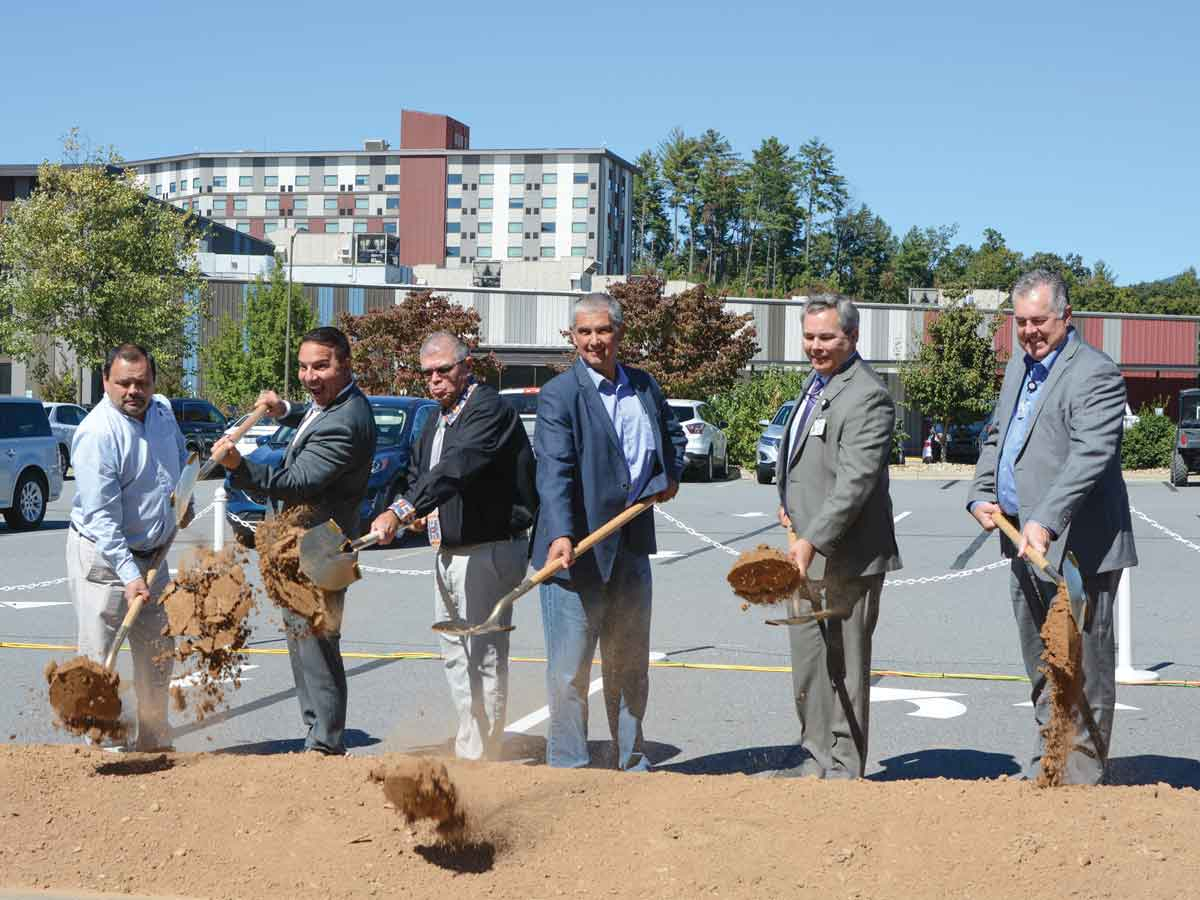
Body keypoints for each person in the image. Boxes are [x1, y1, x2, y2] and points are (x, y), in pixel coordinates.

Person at [968, 269, 1137, 784]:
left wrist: (1044, 519)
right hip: (1022, 543)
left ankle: (1082, 778)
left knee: (1084, 666)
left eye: (1038, 321)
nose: (1028, 332)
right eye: (1020, 322)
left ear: (1067, 316)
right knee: (1043, 662)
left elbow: (1090, 456)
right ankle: (1053, 760)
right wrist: (982, 491)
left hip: (1079, 548)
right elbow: (998, 435)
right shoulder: (1021, 365)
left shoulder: (1095, 374)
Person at [532, 292, 686, 771]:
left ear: (619, 333)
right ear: (572, 337)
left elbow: (672, 434)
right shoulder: (560, 395)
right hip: (575, 554)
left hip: (631, 550)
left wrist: (670, 475)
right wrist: (559, 533)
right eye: (585, 332)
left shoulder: (643, 386)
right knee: (569, 672)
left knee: (628, 666)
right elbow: (553, 470)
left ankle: (631, 761)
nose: (595, 340)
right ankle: (569, 766)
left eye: (603, 330)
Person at [370, 332, 537, 761]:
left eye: (444, 370)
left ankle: (483, 751)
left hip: (489, 548)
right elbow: (418, 473)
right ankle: (472, 741)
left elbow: (456, 467)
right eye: (428, 373)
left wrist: (403, 511)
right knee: (455, 651)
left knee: (482, 651)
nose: (436, 380)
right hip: (449, 550)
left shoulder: (488, 409)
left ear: (467, 366)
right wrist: (411, 510)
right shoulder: (435, 418)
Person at [210, 326, 376, 756]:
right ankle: (317, 733)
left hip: (322, 545)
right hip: (308, 543)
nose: (309, 376)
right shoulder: (331, 405)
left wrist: (238, 465)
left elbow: (300, 481)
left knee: (317, 647)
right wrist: (284, 409)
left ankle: (324, 742)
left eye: (321, 366)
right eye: (303, 367)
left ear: (345, 365)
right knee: (304, 642)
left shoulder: (347, 420)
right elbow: (311, 416)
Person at [775, 294, 902, 780]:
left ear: (851, 337)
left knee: (845, 666)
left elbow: (854, 484)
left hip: (847, 557)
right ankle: (814, 756)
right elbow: (804, 461)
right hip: (802, 553)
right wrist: (788, 504)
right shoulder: (815, 384)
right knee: (808, 663)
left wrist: (812, 539)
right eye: (809, 336)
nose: (815, 345)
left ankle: (846, 766)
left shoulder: (867, 395)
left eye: (826, 337)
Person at [67, 343, 191, 751]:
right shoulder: (98, 434)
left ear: (153, 381)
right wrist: (129, 574)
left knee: (158, 649)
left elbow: (175, 463)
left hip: (154, 554)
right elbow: (103, 518)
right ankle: (104, 741)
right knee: (100, 653)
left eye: (142, 383)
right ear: (106, 382)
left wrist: (181, 503)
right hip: (105, 559)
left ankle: (154, 735)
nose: (133, 391)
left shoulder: (162, 412)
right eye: (124, 383)